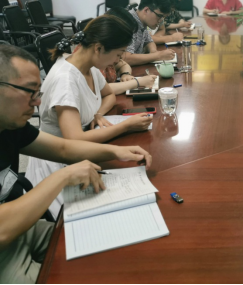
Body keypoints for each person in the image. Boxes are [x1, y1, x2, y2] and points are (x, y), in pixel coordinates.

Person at [0, 45, 152, 284]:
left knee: (109, 246)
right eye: (30, 91)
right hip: (5, 250)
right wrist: (62, 176)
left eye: (38, 92)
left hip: (24, 229)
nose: (38, 101)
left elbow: (63, 148)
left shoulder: (11, 126)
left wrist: (116, 151)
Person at [26, 16, 154, 217]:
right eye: (118, 54)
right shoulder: (66, 80)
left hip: (80, 155)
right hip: (57, 165)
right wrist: (126, 125)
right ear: (98, 48)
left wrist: (98, 113)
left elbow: (109, 95)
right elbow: (75, 139)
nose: (118, 61)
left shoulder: (89, 67)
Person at [101, 8, 157, 95]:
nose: (118, 59)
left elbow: (123, 64)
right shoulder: (97, 58)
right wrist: (137, 82)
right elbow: (101, 90)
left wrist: (125, 74)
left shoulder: (108, 52)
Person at [123, 0, 176, 66]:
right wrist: (158, 56)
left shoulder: (141, 21)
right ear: (146, 10)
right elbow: (126, 58)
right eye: (160, 16)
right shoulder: (128, 22)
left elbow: (149, 41)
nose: (161, 21)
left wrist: (153, 51)